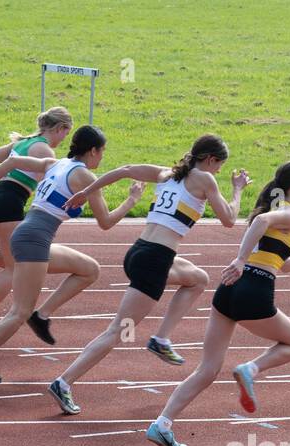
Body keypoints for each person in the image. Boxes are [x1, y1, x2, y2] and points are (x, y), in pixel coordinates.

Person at [146, 161, 290, 446]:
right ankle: (250, 369)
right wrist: (241, 260)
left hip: (228, 291)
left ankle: (162, 424)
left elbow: (285, 264)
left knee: (207, 369)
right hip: (253, 290)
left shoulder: (271, 211)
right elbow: (260, 224)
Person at [43, 134, 250, 415]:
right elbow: (229, 220)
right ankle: (63, 382)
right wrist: (237, 190)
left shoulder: (166, 173)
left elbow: (125, 169)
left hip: (141, 252)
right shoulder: (205, 179)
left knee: (197, 278)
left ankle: (161, 339)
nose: (218, 172)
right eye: (219, 166)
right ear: (211, 160)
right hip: (154, 260)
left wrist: (87, 189)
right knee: (117, 330)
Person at [0, 126, 145, 384]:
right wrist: (132, 200)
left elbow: (9, 161)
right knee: (19, 311)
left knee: (89, 269)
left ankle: (42, 314)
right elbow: (106, 222)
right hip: (34, 239)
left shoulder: (54, 163)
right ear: (92, 151)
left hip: (30, 235)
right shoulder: (86, 178)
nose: (102, 158)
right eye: (102, 152)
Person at [0, 106, 75, 336]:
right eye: (65, 134)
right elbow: (49, 188)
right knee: (16, 268)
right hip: (8, 205)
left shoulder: (23, 142)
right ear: (60, 128)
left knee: (16, 259)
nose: (64, 140)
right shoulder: (45, 151)